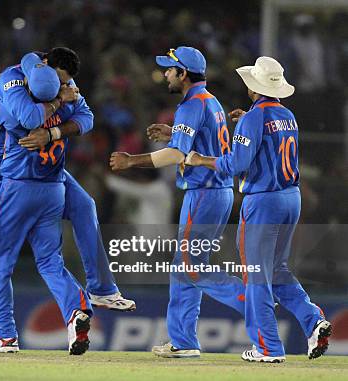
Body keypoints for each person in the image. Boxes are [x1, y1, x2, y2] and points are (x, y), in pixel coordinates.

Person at [0, 48, 135, 312]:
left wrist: (54, 131)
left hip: (33, 166)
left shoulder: (60, 81)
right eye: (58, 81)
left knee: (85, 205)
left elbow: (87, 119)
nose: (62, 86)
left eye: (65, 83)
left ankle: (102, 290)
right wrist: (58, 101)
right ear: (44, 66)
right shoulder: (14, 84)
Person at [185, 56, 332, 363]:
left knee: (255, 274)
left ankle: (267, 347)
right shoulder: (287, 114)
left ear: (253, 85)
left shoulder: (254, 118)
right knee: (277, 269)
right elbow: (267, 140)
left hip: (264, 201)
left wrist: (201, 160)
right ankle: (313, 320)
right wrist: (247, 122)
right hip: (291, 197)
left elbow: (236, 165)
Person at [110, 46, 245, 358]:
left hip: (204, 194)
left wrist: (132, 160)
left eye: (170, 69)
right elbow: (204, 140)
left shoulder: (191, 105)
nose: (166, 74)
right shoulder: (209, 101)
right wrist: (174, 132)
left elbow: (176, 155)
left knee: (189, 267)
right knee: (184, 268)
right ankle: (183, 341)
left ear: (183, 74)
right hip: (216, 192)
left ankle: (251, 297)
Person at [0, 52, 93, 355]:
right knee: (51, 262)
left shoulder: (19, 102)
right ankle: (76, 311)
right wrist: (61, 110)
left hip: (19, 188)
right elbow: (88, 119)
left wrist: (0, 85)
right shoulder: (68, 99)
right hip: (53, 189)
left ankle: (5, 334)